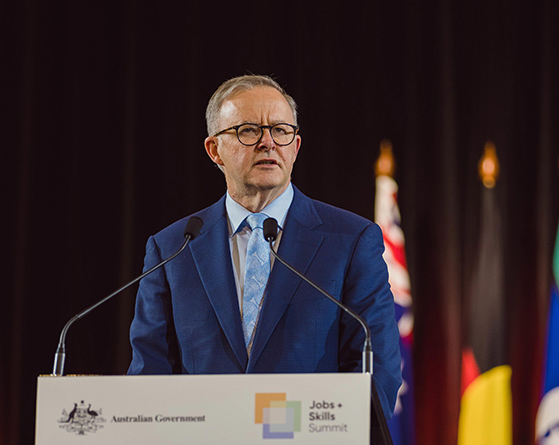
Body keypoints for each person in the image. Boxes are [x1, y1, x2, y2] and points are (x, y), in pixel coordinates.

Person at [128, 74, 401, 420]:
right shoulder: (173, 248)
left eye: (281, 131)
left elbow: (377, 366)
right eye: (248, 131)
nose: (268, 143)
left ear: (296, 146)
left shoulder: (350, 240)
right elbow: (150, 371)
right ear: (215, 150)